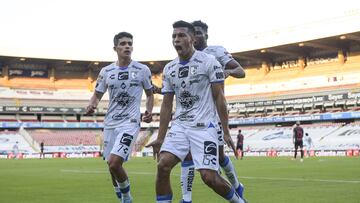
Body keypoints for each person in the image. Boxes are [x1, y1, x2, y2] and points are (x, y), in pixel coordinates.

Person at [146, 20, 245, 203]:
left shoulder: (209, 61)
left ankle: (238, 201)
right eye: (174, 36)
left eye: (182, 35)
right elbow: (167, 104)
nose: (177, 39)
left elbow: (219, 97)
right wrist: (160, 137)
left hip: (204, 127)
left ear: (192, 39)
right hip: (180, 127)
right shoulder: (169, 68)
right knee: (163, 165)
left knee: (209, 177)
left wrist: (225, 130)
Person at [86, 31, 154, 203]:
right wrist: (92, 104)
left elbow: (150, 94)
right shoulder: (106, 71)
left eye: (130, 43)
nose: (127, 46)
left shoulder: (142, 69)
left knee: (115, 163)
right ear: (115, 48)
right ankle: (122, 198)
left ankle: (127, 198)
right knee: (111, 166)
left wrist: (148, 111)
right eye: (123, 43)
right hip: (110, 123)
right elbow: (97, 94)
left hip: (130, 123)